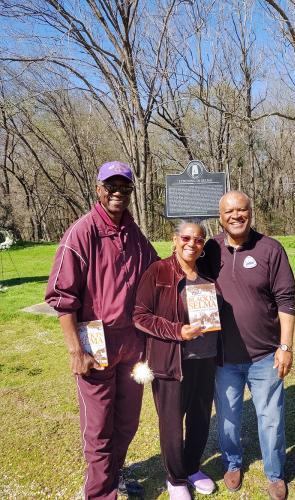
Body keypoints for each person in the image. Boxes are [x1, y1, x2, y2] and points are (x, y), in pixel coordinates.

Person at [45, 161, 158, 499]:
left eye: (124, 187)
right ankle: (99, 492)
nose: (117, 192)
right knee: (98, 428)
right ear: (98, 189)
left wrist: (195, 264)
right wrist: (75, 351)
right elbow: (62, 297)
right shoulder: (81, 233)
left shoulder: (135, 236)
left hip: (131, 344)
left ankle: (114, 475)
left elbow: (158, 276)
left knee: (126, 422)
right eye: (111, 185)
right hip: (94, 341)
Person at [199, 191, 295, 500]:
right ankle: (232, 463)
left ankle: (275, 473)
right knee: (227, 418)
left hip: (265, 356)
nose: (236, 215)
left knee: (271, 419)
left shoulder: (271, 249)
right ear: (220, 216)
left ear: (251, 213)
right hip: (224, 357)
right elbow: (186, 276)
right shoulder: (209, 250)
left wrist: (286, 346)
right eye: (229, 211)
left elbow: (286, 301)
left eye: (242, 210)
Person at [133, 221, 221, 500]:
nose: (191, 244)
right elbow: (140, 315)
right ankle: (175, 479)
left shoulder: (207, 273)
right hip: (171, 362)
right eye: (186, 238)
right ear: (174, 239)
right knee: (171, 423)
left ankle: (193, 468)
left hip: (205, 359)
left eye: (198, 240)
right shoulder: (158, 271)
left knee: (200, 419)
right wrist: (177, 331)